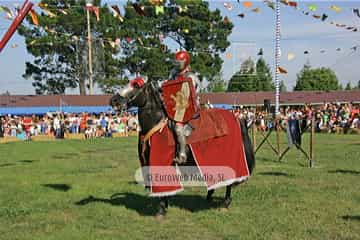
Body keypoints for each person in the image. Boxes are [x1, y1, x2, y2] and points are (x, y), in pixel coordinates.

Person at [164, 50, 201, 164]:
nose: (177, 64)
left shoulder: (191, 77)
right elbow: (168, 87)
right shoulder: (173, 73)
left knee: (178, 127)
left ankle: (182, 154)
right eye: (176, 61)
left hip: (188, 107)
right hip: (174, 105)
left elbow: (193, 94)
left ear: (185, 62)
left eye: (179, 61)